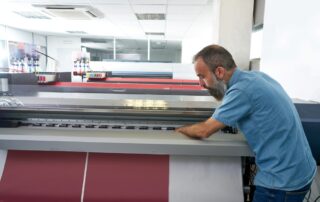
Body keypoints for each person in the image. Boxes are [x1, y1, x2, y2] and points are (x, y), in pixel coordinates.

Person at [175, 44, 317, 202]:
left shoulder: (241, 91)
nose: (201, 83)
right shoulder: (257, 77)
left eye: (202, 76)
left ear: (220, 71)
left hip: (281, 184)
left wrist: (179, 130)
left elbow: (204, 131)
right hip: (301, 171)